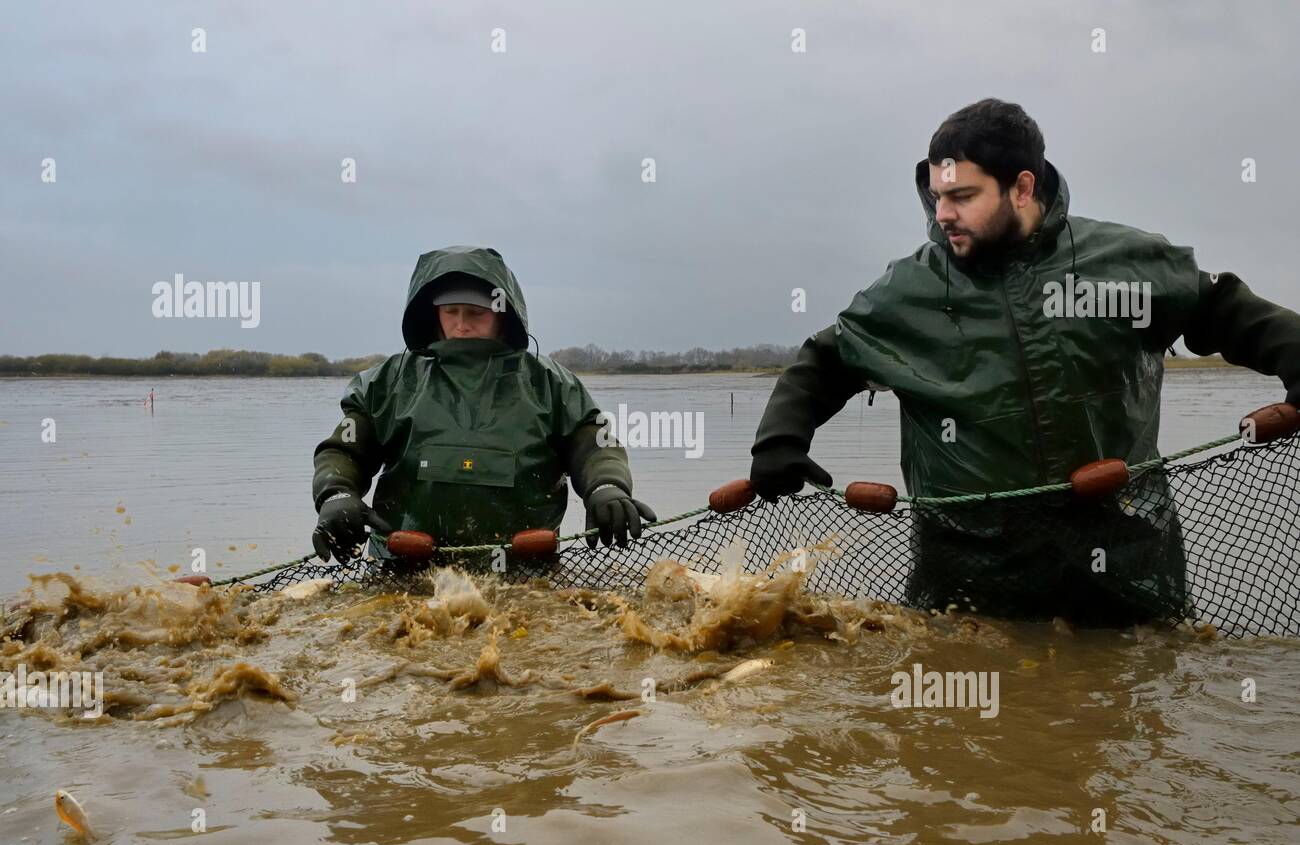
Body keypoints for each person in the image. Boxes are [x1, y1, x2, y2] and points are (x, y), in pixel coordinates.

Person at [750, 99, 1300, 625]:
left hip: (1126, 568)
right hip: (967, 579)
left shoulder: (1123, 265)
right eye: (937, 196)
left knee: (1137, 695)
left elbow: (1224, 309)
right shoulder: (906, 292)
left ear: (1022, 187)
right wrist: (780, 441)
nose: (943, 213)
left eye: (963, 196)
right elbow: (825, 361)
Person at [311, 245, 655, 563]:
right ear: (434, 314)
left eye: (475, 313)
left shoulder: (549, 383)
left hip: (522, 574)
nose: (461, 325)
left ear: (502, 313)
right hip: (402, 567)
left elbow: (594, 444)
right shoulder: (387, 382)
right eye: (451, 312)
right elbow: (344, 451)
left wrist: (607, 486)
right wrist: (336, 494)